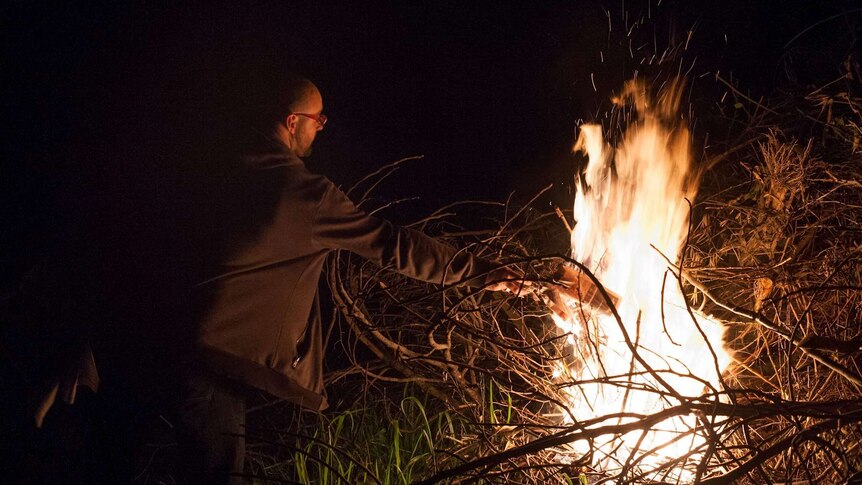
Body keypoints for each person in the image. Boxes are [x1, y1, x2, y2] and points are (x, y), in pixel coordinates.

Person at [83, 75, 524, 484]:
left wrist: (86, 337)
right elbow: (394, 246)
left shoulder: (208, 171)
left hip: (145, 341)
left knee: (108, 462)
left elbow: (138, 245)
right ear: (292, 122)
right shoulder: (305, 195)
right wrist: (481, 272)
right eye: (319, 119)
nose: (321, 128)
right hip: (209, 363)